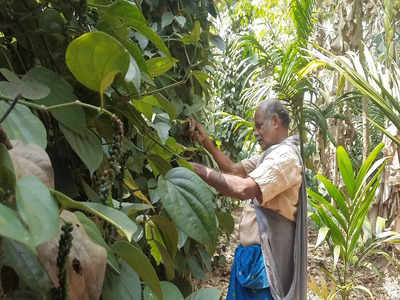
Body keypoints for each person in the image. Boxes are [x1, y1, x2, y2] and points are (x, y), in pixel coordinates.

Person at [187, 99, 307, 300]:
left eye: (259, 126)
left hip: (264, 265)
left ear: (275, 121)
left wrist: (196, 169)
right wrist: (206, 141)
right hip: (249, 259)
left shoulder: (285, 159)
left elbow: (243, 189)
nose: (256, 133)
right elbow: (232, 169)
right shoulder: (268, 157)